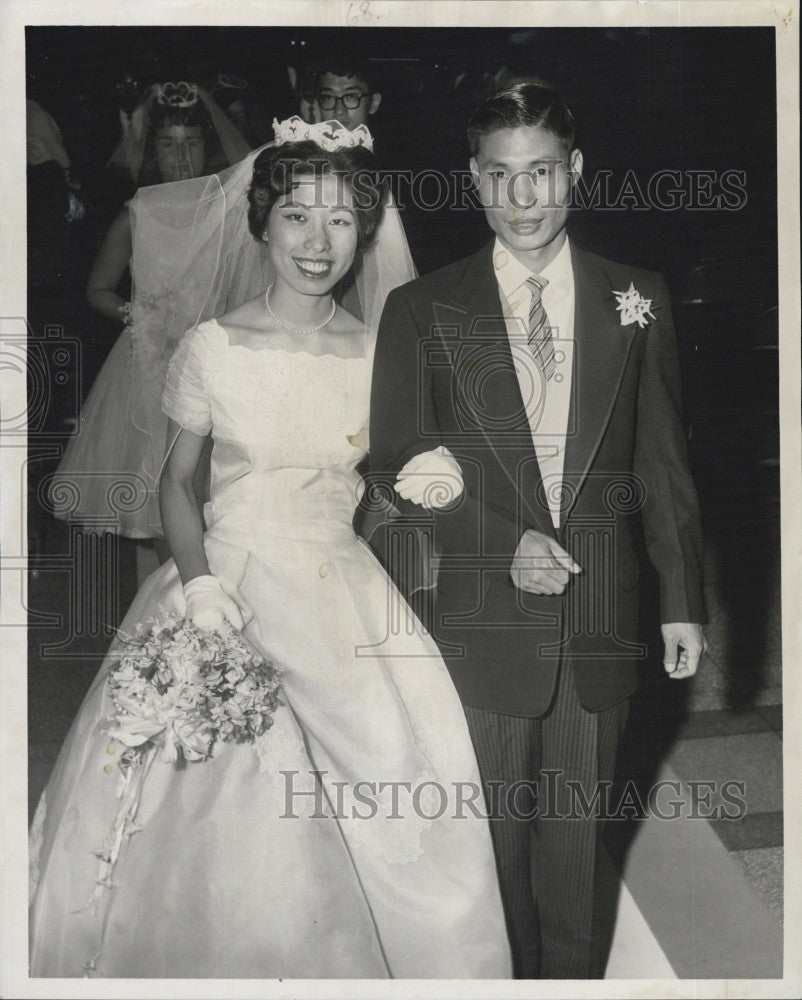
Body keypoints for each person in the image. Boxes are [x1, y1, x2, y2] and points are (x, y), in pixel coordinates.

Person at [28, 118, 512, 980]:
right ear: (262, 223)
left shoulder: (379, 347)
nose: (317, 242)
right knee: (229, 807)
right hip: (229, 585)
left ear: (365, 232)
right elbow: (177, 485)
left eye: (338, 221)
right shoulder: (213, 347)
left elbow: (391, 477)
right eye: (297, 216)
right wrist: (204, 587)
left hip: (340, 590)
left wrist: (429, 479)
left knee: (394, 781)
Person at [368, 83, 708, 979]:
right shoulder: (423, 309)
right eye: (501, 177)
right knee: (493, 857)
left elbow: (662, 462)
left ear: (577, 173)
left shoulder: (637, 296)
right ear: (474, 184)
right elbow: (394, 465)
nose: (524, 200)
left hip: (603, 622)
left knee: (575, 851)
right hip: (480, 625)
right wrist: (497, 543)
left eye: (542, 173)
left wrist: (681, 598)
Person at [49, 82, 251, 539]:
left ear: (209, 147)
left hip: (214, 359)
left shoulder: (228, 212)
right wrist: (138, 315)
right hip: (151, 361)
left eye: (192, 144)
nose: (181, 158)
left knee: (211, 494)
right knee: (151, 496)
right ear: (151, 151)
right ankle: (161, 603)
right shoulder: (137, 214)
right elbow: (98, 288)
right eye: (167, 145)